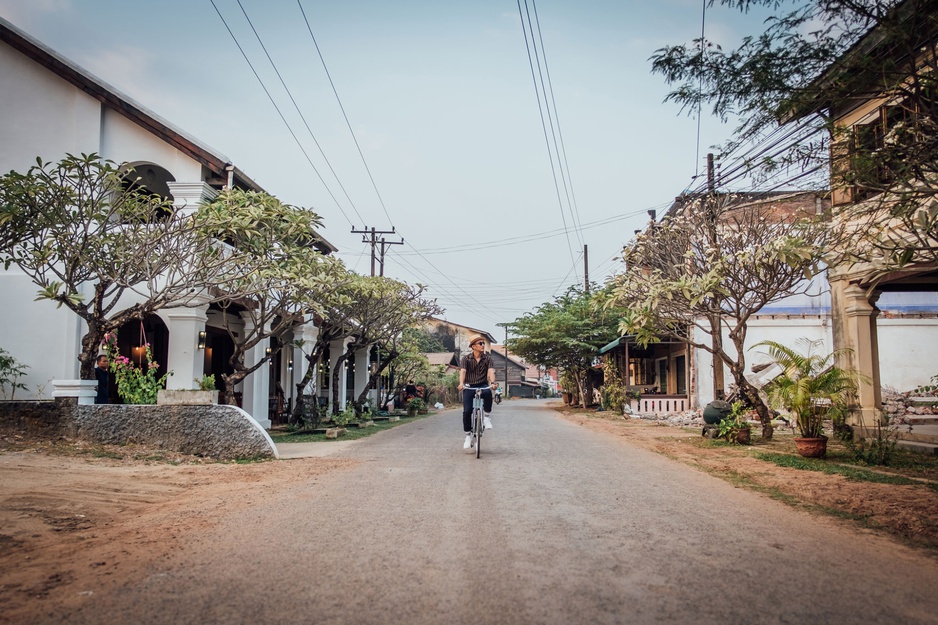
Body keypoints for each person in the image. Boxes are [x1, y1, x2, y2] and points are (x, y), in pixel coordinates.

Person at [458, 334, 496, 449]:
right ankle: (468, 436)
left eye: (483, 343)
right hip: (469, 386)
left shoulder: (487, 358)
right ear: (473, 346)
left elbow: (490, 372)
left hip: (483, 384)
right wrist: (461, 383)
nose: (483, 345)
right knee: (467, 411)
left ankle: (487, 417)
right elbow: (463, 371)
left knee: (488, 393)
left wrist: (493, 383)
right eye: (480, 343)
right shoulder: (466, 359)